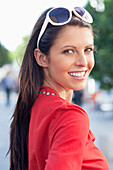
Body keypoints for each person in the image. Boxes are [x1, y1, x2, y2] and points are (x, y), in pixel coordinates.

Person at [9, 6, 110, 170]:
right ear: (42, 58)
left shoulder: (32, 107)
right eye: (69, 51)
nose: (83, 61)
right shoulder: (70, 117)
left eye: (88, 49)